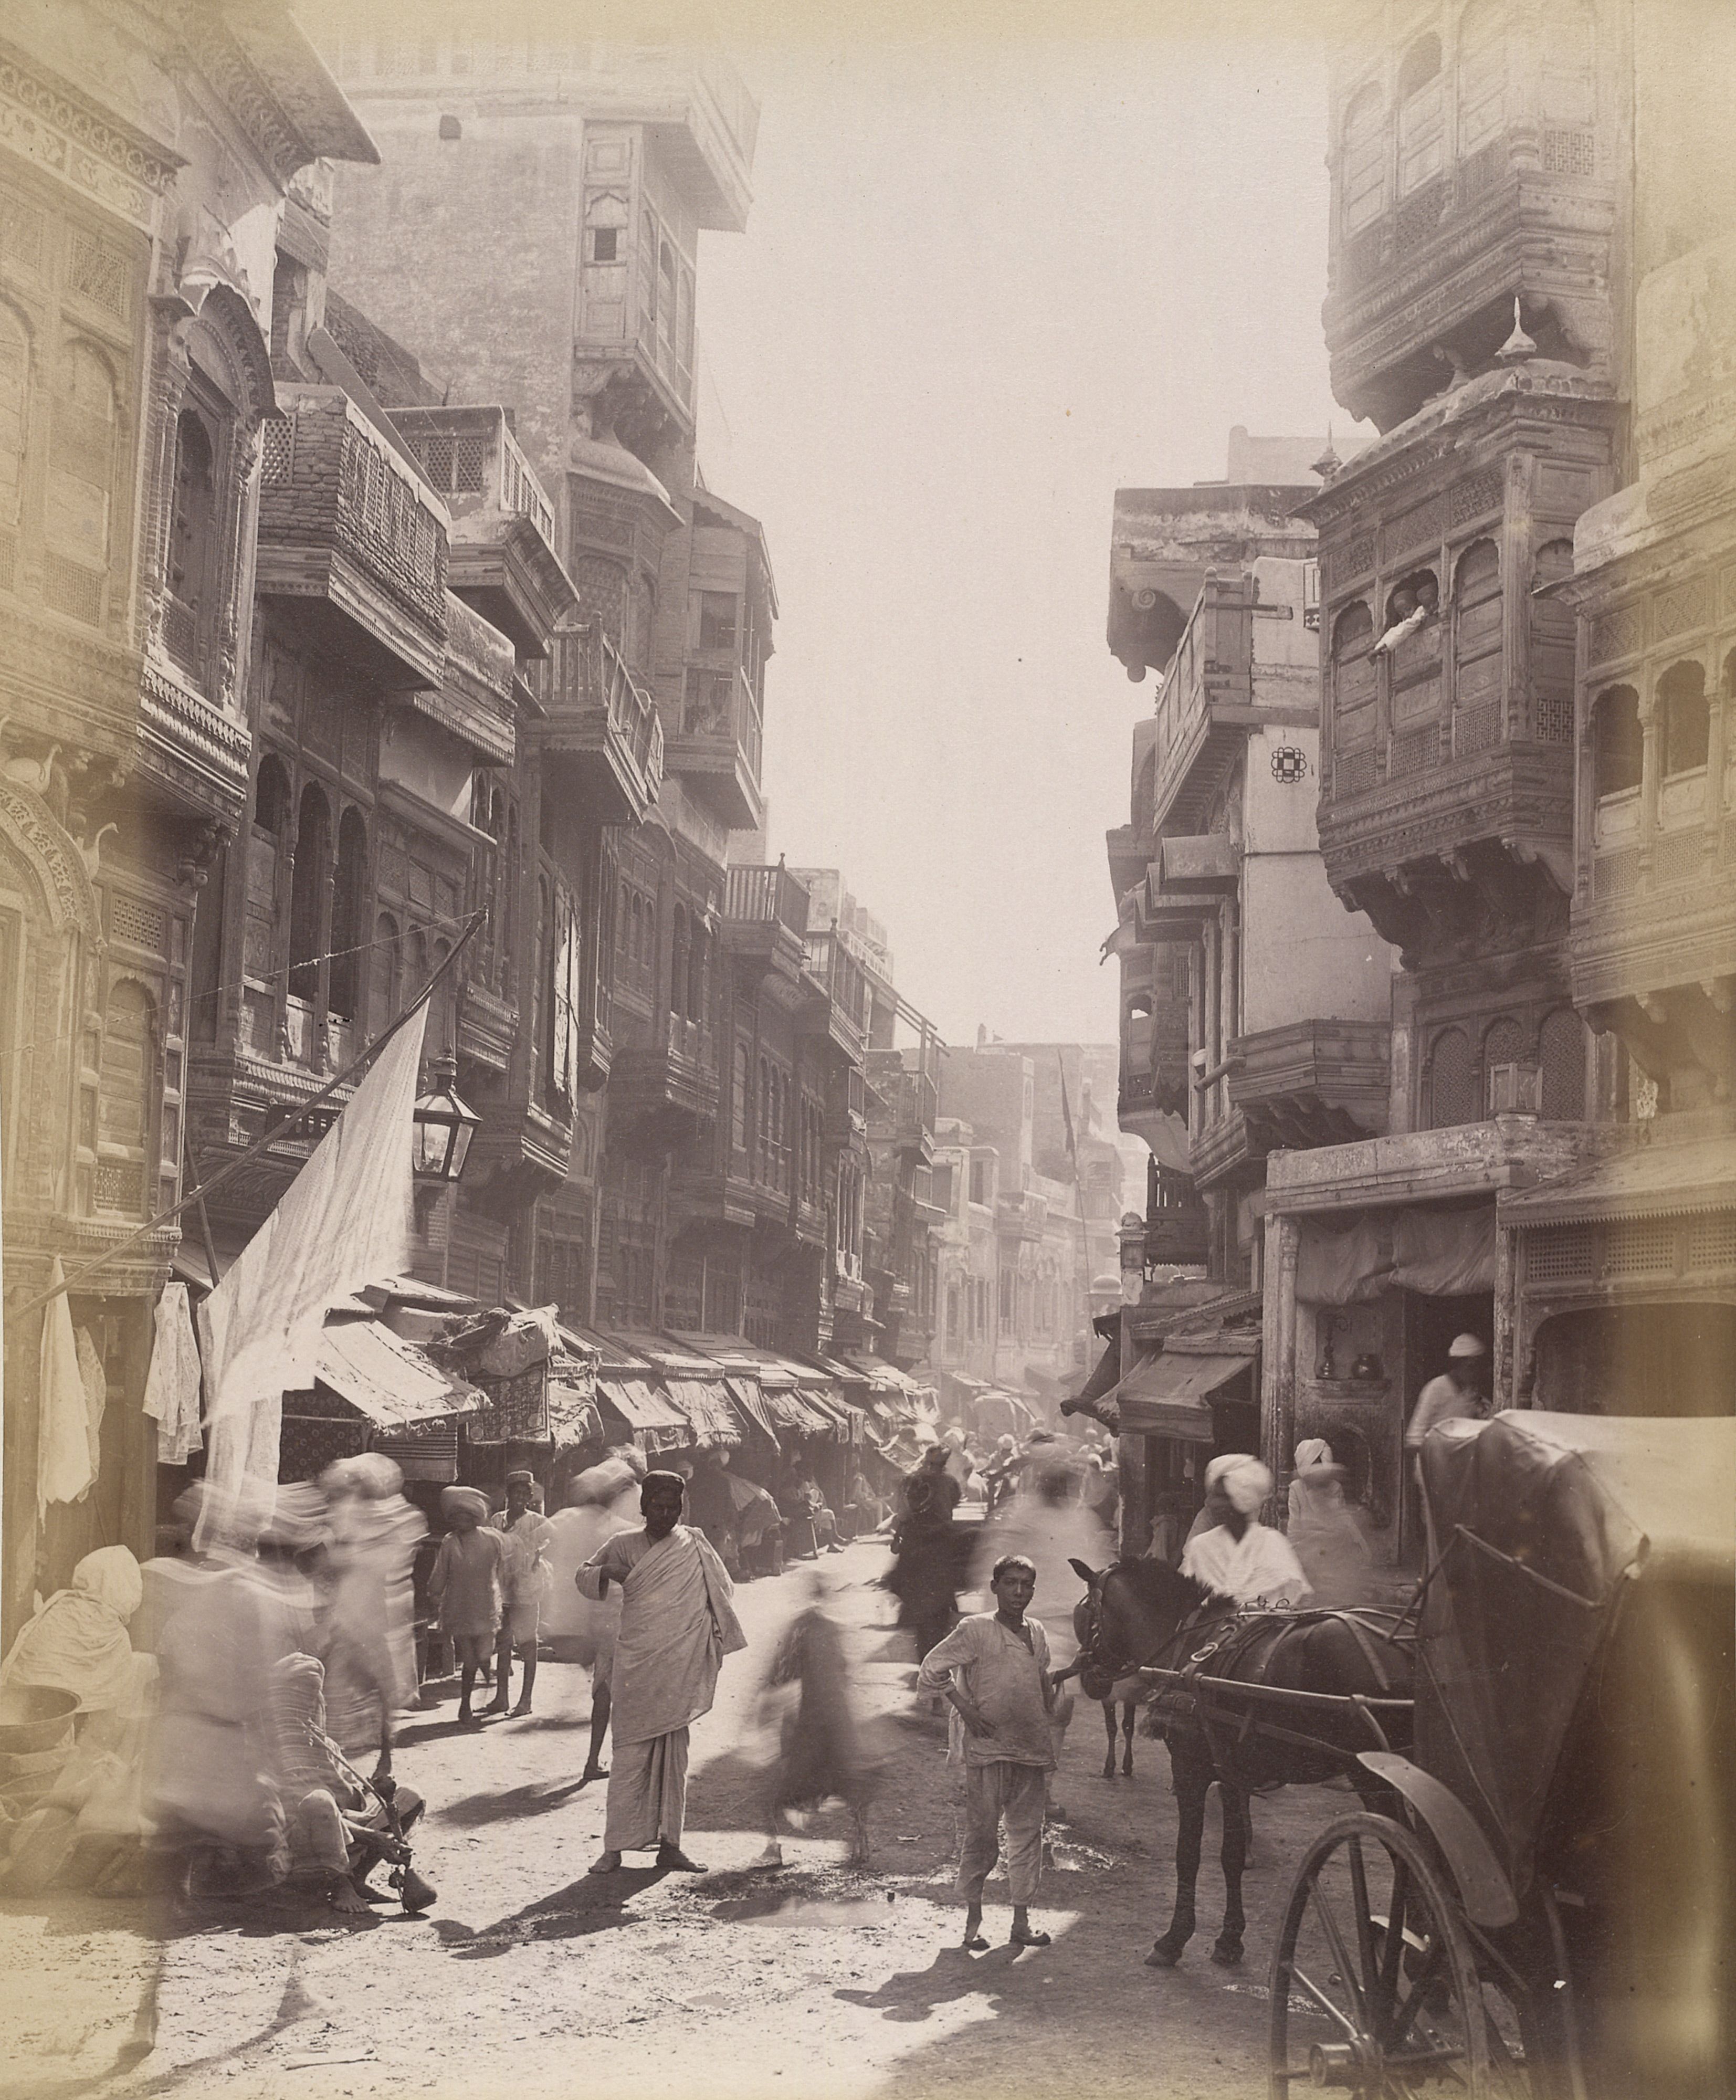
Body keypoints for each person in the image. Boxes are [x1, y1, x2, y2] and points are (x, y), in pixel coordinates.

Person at [576, 1471, 746, 1875]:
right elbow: (583, 1574)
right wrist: (605, 1573)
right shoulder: (622, 1544)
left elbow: (721, 1593)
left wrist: (703, 1635)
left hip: (678, 1666)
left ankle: (671, 1845)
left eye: (674, 1508)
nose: (666, 1515)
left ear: (682, 1508)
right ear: (644, 1507)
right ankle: (613, 1848)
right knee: (628, 1756)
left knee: (675, 1759)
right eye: (658, 1506)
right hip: (636, 1665)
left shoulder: (694, 1545)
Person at [916, 1555, 1058, 1951]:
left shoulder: (1038, 1632)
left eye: (1026, 1584)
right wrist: (965, 1709)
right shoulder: (975, 1629)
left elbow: (1041, 1682)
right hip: (988, 1749)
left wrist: (1066, 1680)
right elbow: (932, 1668)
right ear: (994, 1586)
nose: (1018, 1592)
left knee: (1028, 1835)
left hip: (1030, 1748)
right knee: (982, 1835)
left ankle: (1020, 1922)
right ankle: (972, 1923)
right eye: (1010, 1583)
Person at [266, 1652, 425, 1915]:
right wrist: (374, 1837)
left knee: (410, 1796)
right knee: (319, 1801)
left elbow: (353, 1806)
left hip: (340, 1835)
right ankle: (339, 1885)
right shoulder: (271, 1751)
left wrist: (372, 1792)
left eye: (312, 1697)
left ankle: (356, 1879)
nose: (307, 1707)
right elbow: (296, 1817)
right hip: (297, 1853)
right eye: (297, 1699)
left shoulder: (326, 1746)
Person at [318, 1454, 425, 1774]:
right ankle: (340, 1759)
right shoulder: (349, 1514)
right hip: (353, 1607)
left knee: (381, 1687)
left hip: (382, 1610)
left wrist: (348, 1557)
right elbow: (335, 1560)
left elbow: (388, 1560)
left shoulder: (399, 1517)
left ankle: (384, 1758)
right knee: (344, 1683)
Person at [548, 1455, 640, 1783]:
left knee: (604, 1694)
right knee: (622, 1697)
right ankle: (606, 1760)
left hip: (576, 1624)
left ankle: (594, 1759)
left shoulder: (564, 1521)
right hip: (615, 1626)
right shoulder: (624, 1532)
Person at [1181, 1455, 1310, 1606]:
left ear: (1242, 1499)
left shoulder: (1274, 1544)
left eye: (1222, 1497)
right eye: (1213, 1496)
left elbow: (1298, 1601)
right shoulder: (1200, 1547)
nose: (1212, 1503)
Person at [427, 1486, 507, 1726]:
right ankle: (465, 1705)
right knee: (471, 1659)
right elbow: (440, 1573)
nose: (461, 1521)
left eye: (466, 1516)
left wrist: (505, 1598)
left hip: (486, 1606)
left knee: (483, 1655)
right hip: (459, 1608)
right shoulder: (450, 1543)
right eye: (457, 1517)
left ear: (474, 1517)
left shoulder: (493, 1539)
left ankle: (491, 1693)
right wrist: (434, 1594)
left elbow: (503, 1571)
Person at [488, 1471, 553, 1717]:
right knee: (503, 1643)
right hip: (502, 1588)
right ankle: (501, 1698)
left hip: (527, 1588)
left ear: (529, 1496)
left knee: (527, 1644)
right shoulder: (497, 1520)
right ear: (508, 1494)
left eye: (524, 1493)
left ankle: (526, 1701)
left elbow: (553, 1539)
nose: (519, 1497)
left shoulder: (537, 1521)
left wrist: (539, 1555)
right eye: (514, 1492)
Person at [1287, 1440, 1373, 1607]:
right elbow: (1294, 1527)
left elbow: (1343, 1519)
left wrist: (1360, 1542)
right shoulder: (1296, 1488)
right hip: (1306, 1547)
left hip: (1331, 1548)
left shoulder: (1334, 1487)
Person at [1406, 1334, 1490, 1477]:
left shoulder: (1472, 1393)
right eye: (1471, 1367)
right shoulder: (1436, 1388)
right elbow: (1414, 1440)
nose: (1476, 1372)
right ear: (1459, 1365)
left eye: (1478, 1367)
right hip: (1436, 1472)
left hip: (1461, 1471)